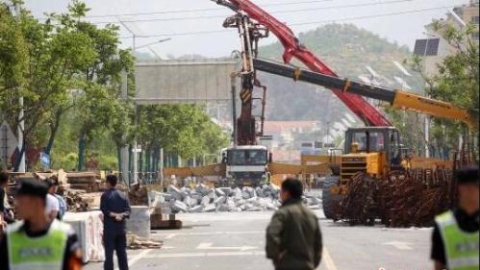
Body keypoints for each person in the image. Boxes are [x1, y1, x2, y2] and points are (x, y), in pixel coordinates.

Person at [0, 178, 83, 270]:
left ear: (37, 202)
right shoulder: (10, 235)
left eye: (21, 201)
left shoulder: (66, 235)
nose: (16, 204)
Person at [266, 178, 322, 270]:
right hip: (307, 266)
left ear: (287, 193)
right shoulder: (311, 215)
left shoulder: (282, 214)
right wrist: (312, 263)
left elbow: (272, 235)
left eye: (281, 191)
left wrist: (276, 256)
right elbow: (318, 246)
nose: (280, 194)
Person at [431, 166, 479, 270]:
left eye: (474, 186)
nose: (471, 191)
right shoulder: (443, 225)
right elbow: (438, 266)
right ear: (460, 188)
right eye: (468, 187)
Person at [100, 175, 131, 270]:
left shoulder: (105, 196)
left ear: (108, 183)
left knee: (109, 255)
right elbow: (128, 211)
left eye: (106, 182)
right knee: (122, 253)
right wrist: (121, 215)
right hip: (121, 229)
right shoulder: (123, 195)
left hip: (110, 229)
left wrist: (114, 215)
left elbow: (105, 210)